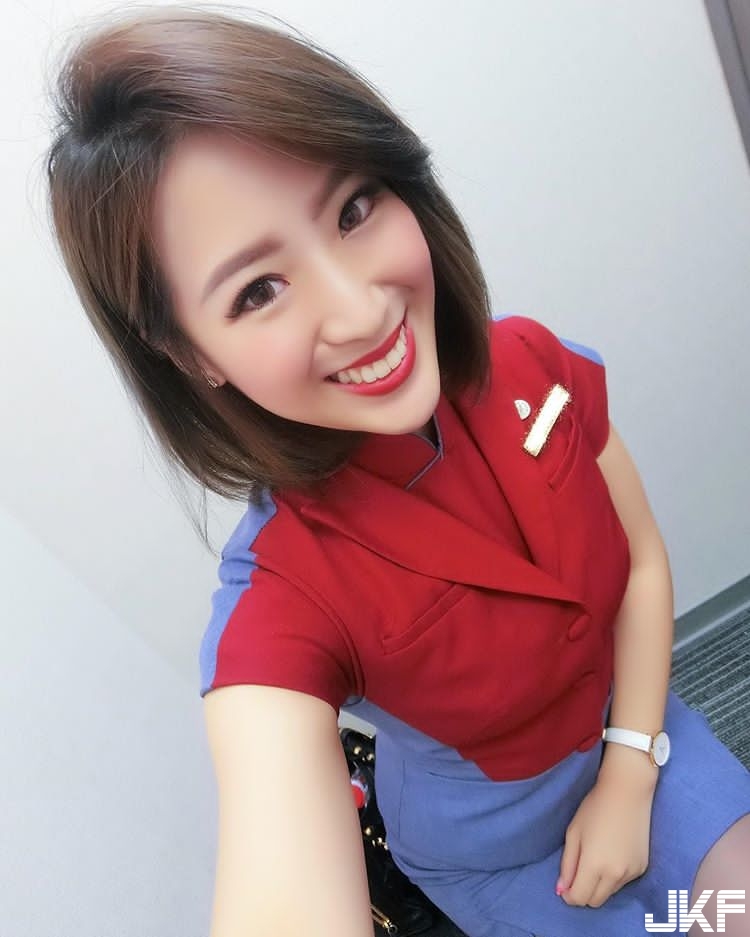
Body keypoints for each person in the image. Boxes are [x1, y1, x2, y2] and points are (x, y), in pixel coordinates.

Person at [45, 8, 750, 937]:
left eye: (353, 209)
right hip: (499, 853)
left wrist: (629, 763)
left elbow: (643, 563)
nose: (361, 311)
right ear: (190, 353)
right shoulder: (281, 594)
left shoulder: (530, 361)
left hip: (639, 731)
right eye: (259, 289)